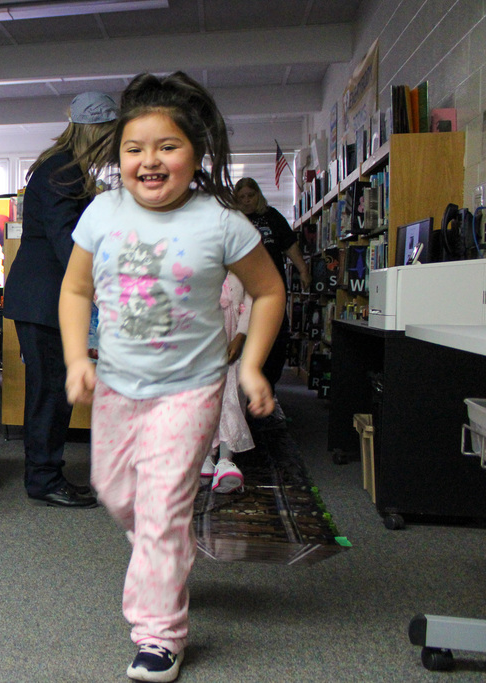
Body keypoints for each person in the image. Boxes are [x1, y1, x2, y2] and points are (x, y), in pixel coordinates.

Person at [59, 72, 285, 681]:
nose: (149, 161)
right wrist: (79, 357)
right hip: (117, 386)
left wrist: (255, 364)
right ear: (118, 155)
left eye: (167, 147)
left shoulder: (220, 221)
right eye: (135, 148)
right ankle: (167, 552)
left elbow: (267, 291)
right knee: (117, 493)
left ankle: (159, 634)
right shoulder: (102, 212)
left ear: (195, 153)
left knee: (160, 508)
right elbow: (76, 288)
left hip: (190, 389)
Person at [3, 91, 118, 509]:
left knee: (53, 391)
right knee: (49, 392)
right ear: (97, 131)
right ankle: (44, 479)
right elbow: (69, 243)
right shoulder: (63, 170)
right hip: (44, 299)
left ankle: (47, 473)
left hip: (46, 298)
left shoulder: (65, 166)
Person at [233, 177, 311, 420]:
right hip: (240, 292)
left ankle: (269, 390)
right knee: (242, 340)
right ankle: (241, 397)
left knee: (277, 341)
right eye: (242, 197)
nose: (246, 201)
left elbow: (289, 246)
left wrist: (304, 270)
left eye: (250, 195)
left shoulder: (272, 217)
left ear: (258, 196)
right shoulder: (232, 220)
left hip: (271, 291)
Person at [199, 272, 254, 493]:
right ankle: (204, 455)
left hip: (233, 339)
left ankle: (225, 459)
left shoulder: (243, 263)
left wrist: (242, 335)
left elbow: (252, 300)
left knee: (231, 394)